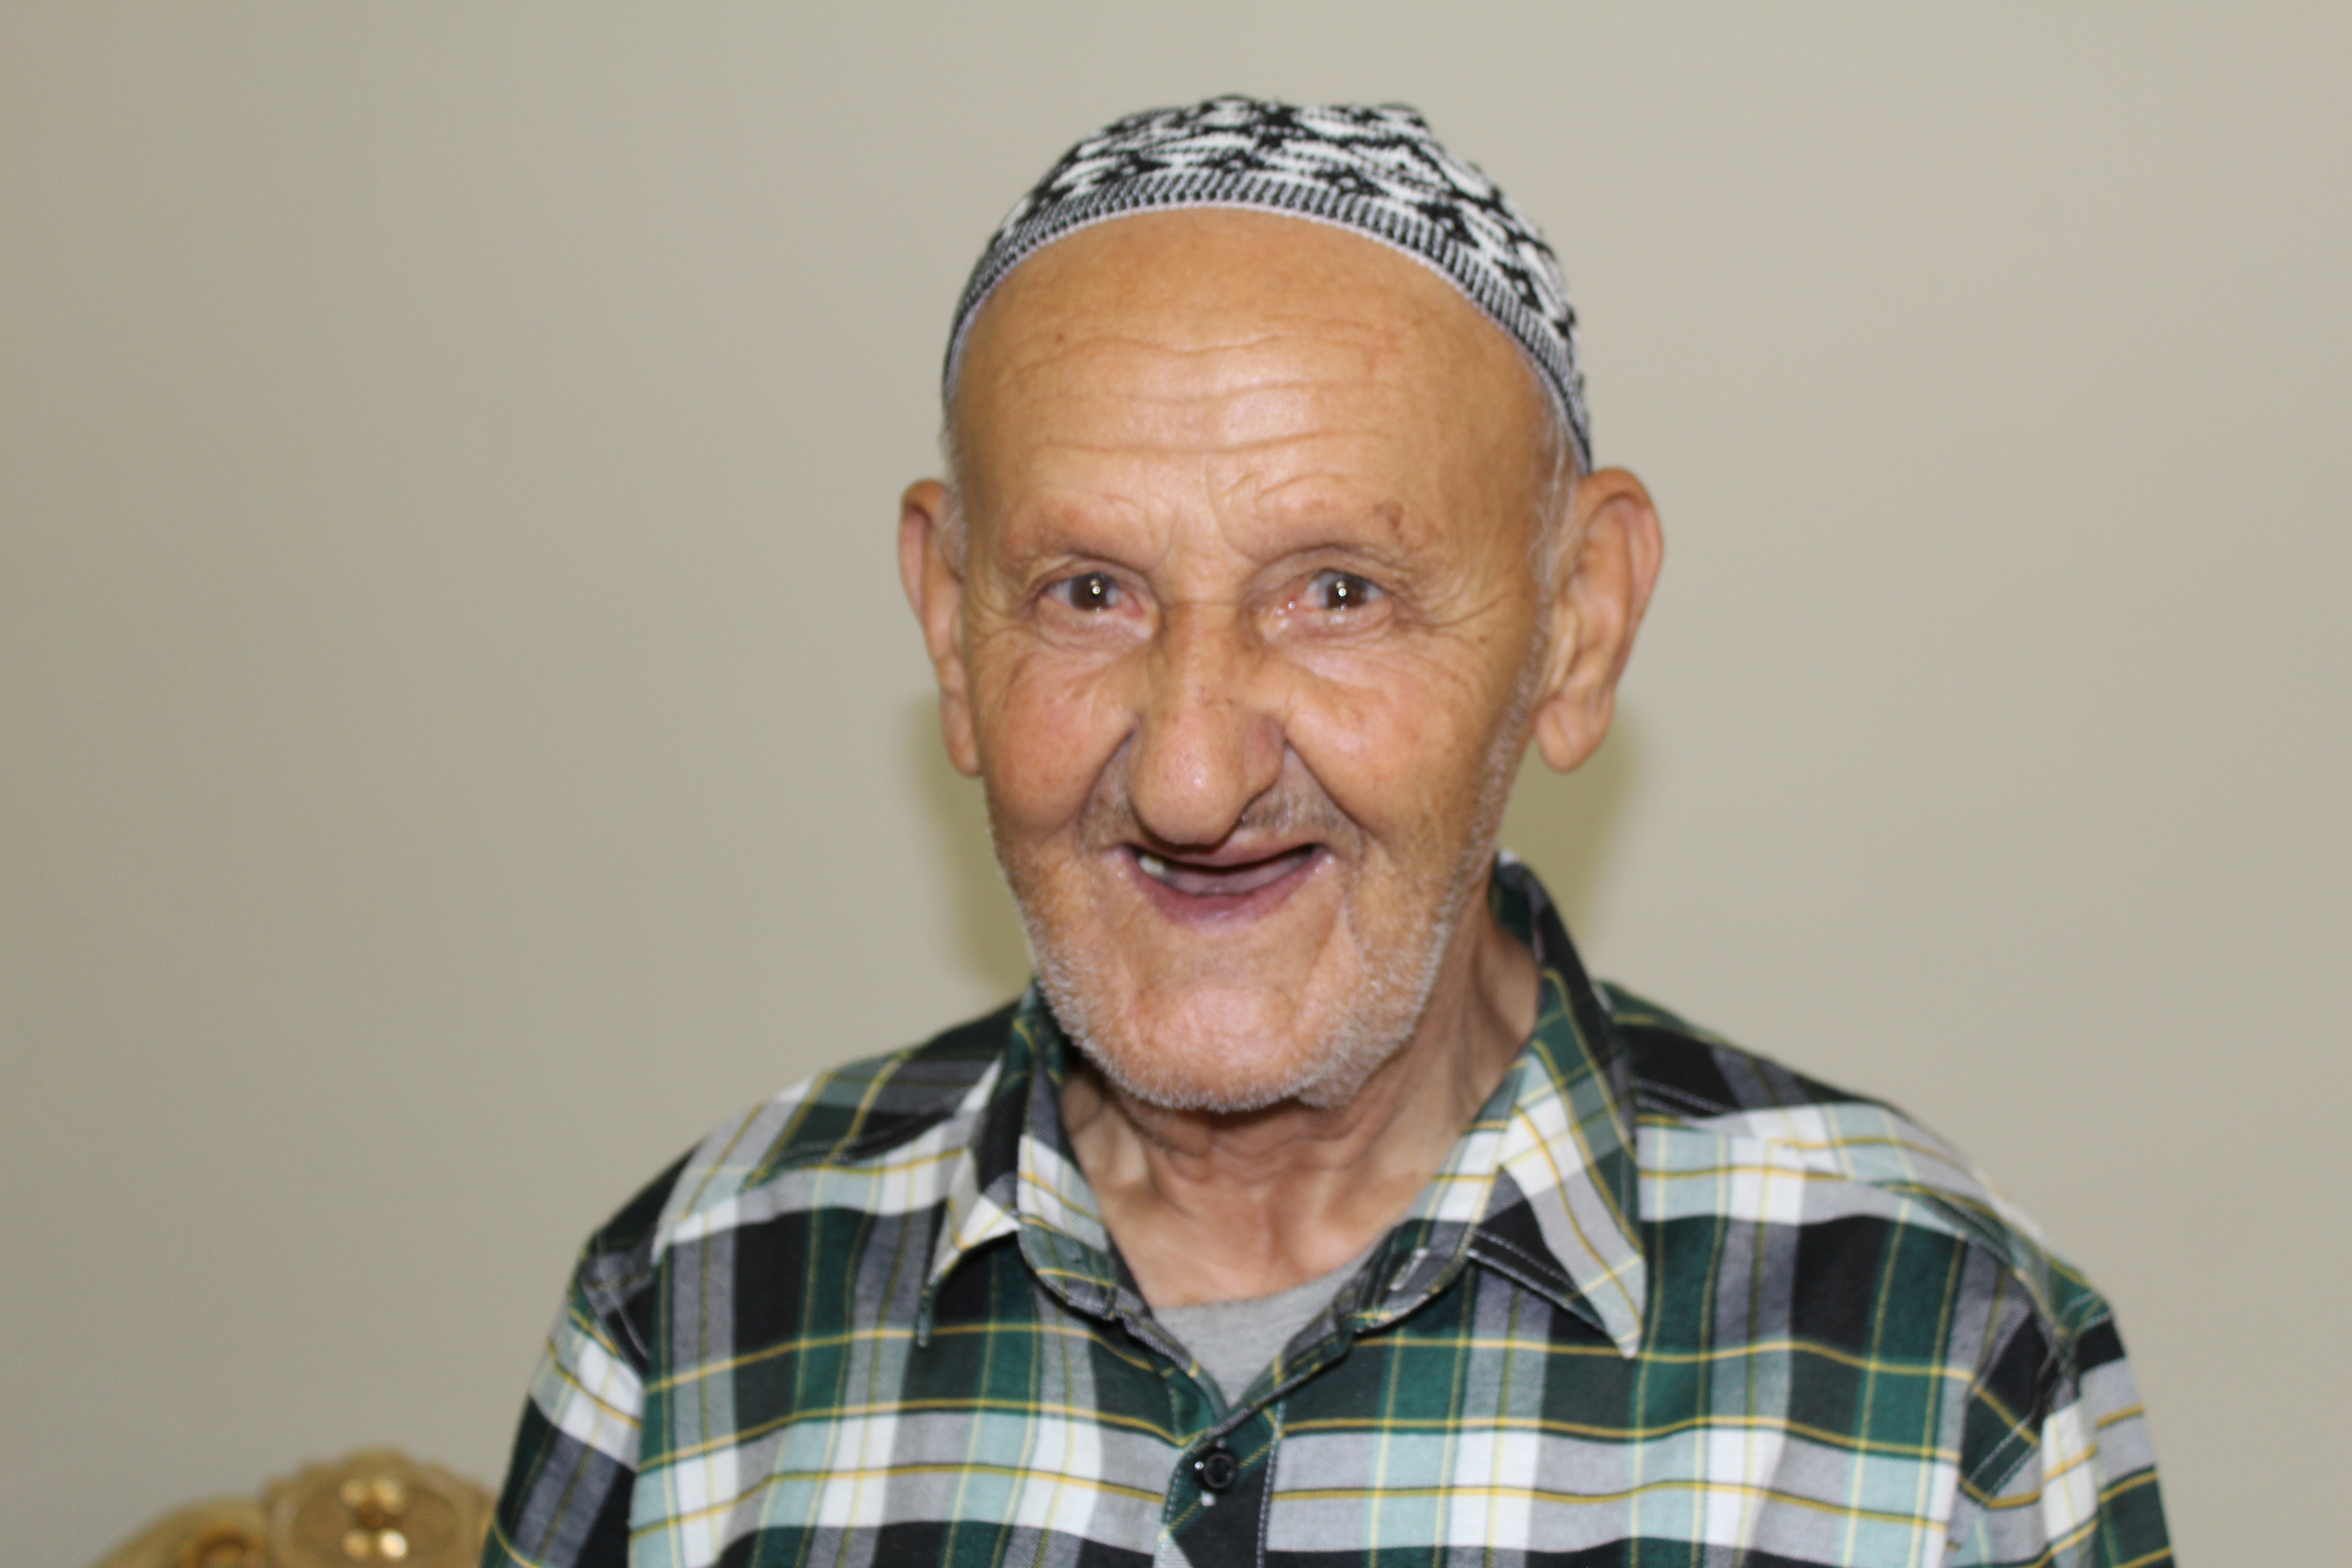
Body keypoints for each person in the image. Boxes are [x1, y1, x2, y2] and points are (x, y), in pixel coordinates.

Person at [483, 98, 2170, 1568]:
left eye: (1339, 593)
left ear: (1575, 628)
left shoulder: (1941, 1360)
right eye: (1087, 593)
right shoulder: (695, 1306)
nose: (1190, 781)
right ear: (949, 627)